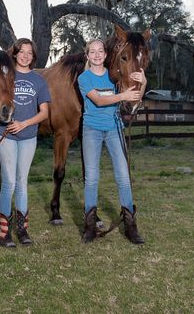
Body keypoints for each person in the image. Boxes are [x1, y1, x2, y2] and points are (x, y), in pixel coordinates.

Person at [78, 38, 146, 245]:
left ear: (106, 55)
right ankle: (89, 227)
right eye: (92, 51)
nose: (97, 54)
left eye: (100, 51)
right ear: (88, 56)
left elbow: (135, 98)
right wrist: (122, 95)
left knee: (123, 177)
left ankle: (131, 227)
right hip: (92, 130)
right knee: (92, 178)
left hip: (115, 129)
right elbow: (99, 101)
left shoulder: (114, 75)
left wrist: (143, 83)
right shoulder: (84, 78)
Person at [0, 38, 51, 248]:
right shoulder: (6, 73)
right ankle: (5, 233)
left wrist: (24, 124)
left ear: (33, 56)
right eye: (22, 52)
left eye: (29, 53)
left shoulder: (38, 80)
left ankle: (22, 230)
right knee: (9, 182)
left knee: (22, 181)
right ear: (15, 54)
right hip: (6, 134)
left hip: (28, 136)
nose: (25, 56)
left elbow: (44, 113)